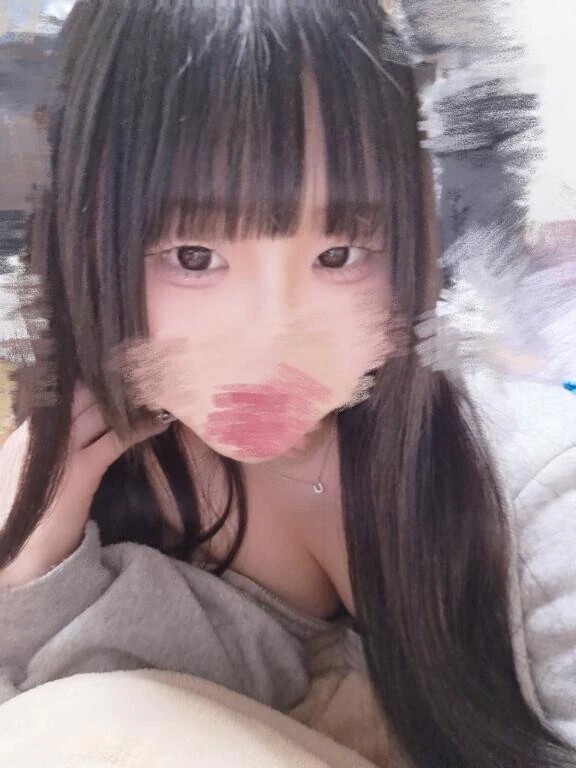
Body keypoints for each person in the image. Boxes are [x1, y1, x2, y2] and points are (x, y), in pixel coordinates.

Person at [0, 1, 575, 766]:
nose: (273, 338)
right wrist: (36, 561)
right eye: (194, 256)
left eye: (339, 255)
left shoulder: (538, 485)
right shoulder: (121, 475)